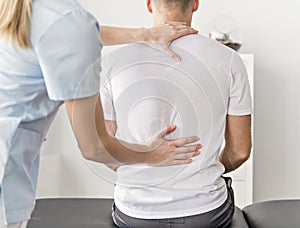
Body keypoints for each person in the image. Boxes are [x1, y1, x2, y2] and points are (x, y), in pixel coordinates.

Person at [0, 0, 201, 227]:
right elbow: (94, 147)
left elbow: (68, 34)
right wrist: (151, 153)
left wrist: (146, 34)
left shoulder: (19, 8)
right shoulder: (68, 23)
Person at [100, 0, 253, 227]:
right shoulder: (229, 59)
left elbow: (104, 150)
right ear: (195, 4)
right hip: (205, 212)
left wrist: (141, 165)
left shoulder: (112, 62)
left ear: (150, 4)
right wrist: (204, 168)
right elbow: (239, 152)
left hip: (135, 212)